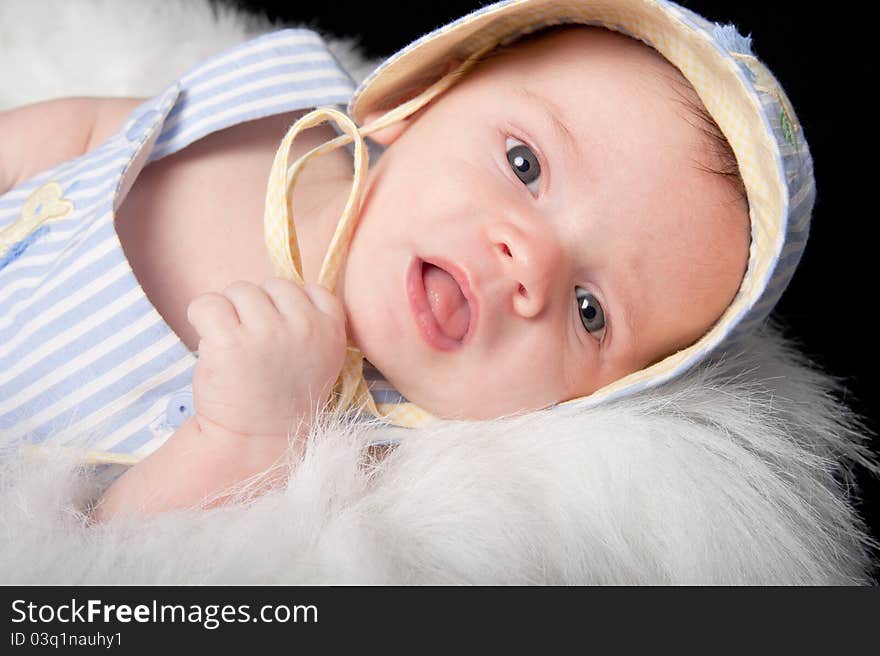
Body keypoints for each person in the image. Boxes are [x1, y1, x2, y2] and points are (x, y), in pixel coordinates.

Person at [0, 0, 813, 520]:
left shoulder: (365, 449)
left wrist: (242, 439)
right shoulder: (265, 106)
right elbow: (75, 136)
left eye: (589, 309)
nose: (526, 260)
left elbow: (89, 563)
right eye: (525, 165)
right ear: (414, 101)